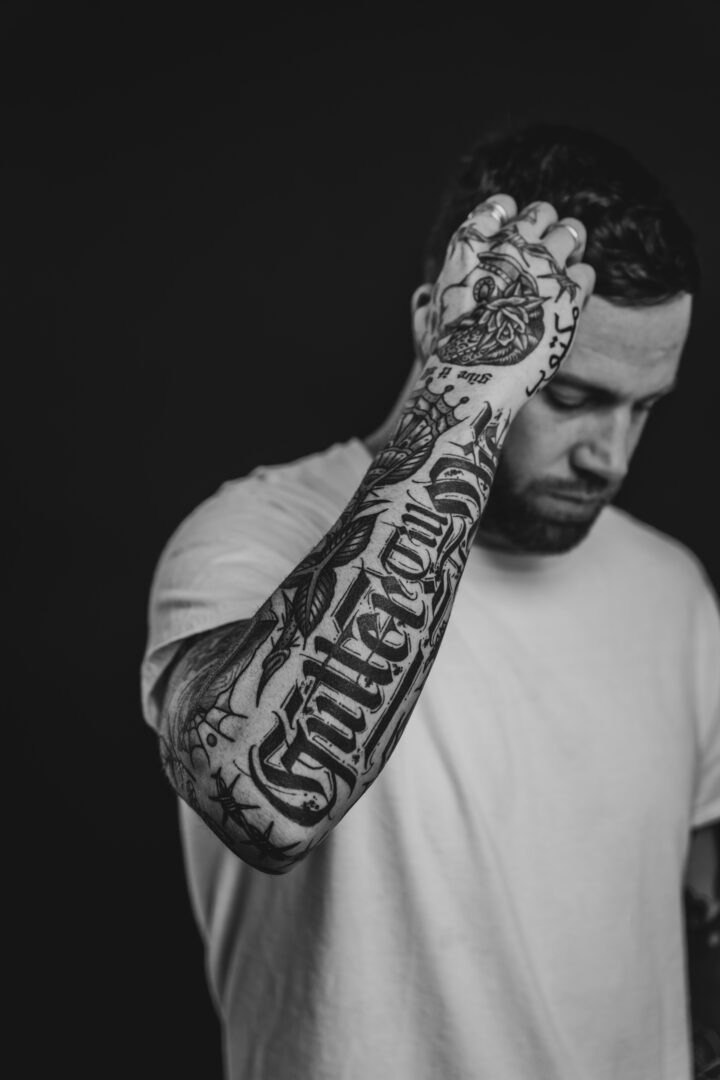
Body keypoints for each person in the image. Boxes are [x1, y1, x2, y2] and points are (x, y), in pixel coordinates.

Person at [141, 124, 719, 1079]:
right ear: (440, 332)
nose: (610, 457)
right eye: (570, 398)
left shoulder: (672, 586)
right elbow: (268, 801)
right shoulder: (247, 536)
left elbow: (688, 921)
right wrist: (470, 391)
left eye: (644, 408)